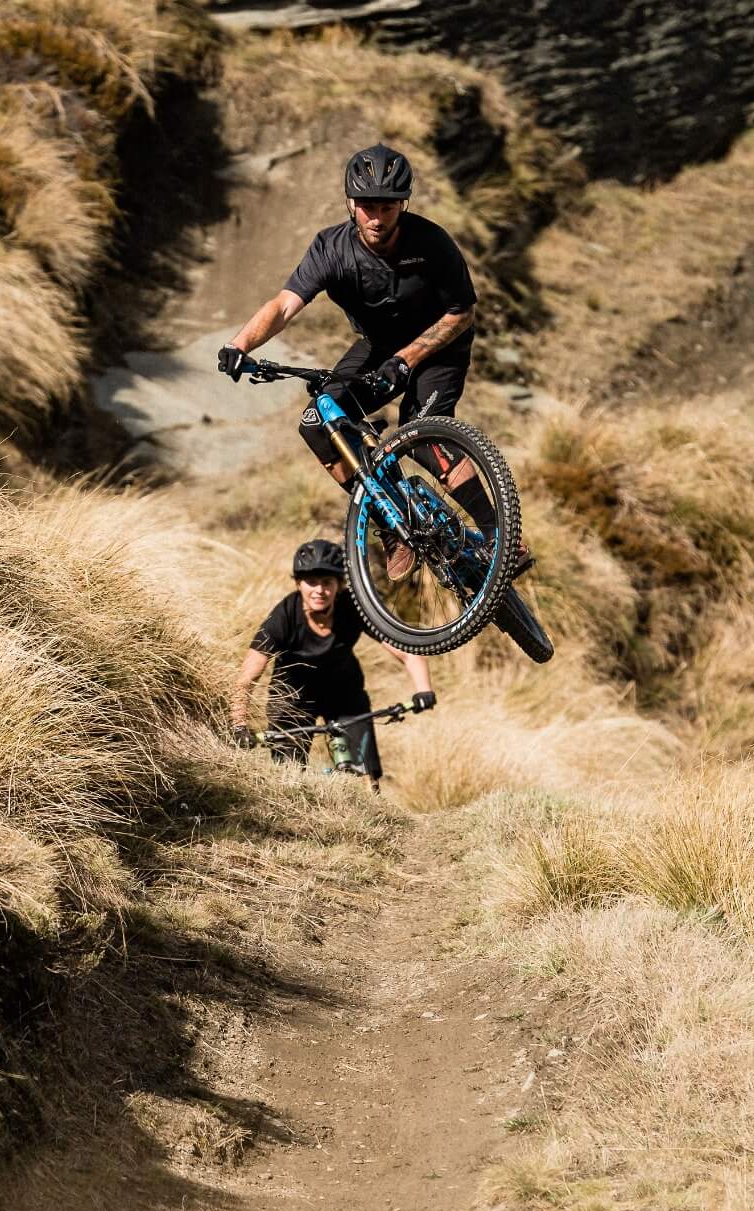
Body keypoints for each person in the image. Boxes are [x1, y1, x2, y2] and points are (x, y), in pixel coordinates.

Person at [216, 142, 530, 578]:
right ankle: (393, 527)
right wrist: (240, 345)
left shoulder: (431, 243)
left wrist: (406, 360)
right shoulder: (331, 249)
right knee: (318, 424)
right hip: (377, 346)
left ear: (403, 204)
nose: (376, 218)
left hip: (438, 345)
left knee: (421, 435)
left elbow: (462, 313)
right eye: (366, 206)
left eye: (386, 207)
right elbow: (285, 306)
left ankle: (501, 538)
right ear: (350, 202)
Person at [230, 539, 436, 794]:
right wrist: (239, 726)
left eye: (327, 582)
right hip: (292, 697)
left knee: (364, 776)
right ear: (298, 583)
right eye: (311, 582)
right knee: (288, 778)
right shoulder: (283, 616)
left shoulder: (356, 606)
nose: (319, 590)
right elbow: (246, 679)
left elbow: (406, 650)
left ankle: (372, 818)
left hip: (344, 694)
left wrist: (423, 690)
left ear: (339, 585)